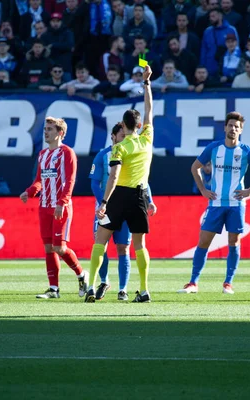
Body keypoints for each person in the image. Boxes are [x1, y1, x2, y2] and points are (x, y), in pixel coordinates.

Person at [178, 112, 250, 295]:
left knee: (234, 241)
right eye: (230, 125)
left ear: (241, 130)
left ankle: (228, 283)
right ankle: (193, 283)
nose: (233, 129)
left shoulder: (245, 151)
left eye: (237, 126)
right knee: (204, 241)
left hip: (236, 205)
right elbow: (194, 167)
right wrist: (203, 190)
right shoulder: (214, 148)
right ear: (225, 127)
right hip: (215, 204)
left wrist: (249, 191)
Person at [85, 65, 155, 304]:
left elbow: (113, 176)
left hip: (118, 197)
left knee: (100, 241)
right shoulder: (147, 139)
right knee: (139, 245)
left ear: (123, 127)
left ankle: (92, 287)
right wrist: (147, 83)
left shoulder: (119, 147)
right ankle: (144, 290)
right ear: (139, 125)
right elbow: (149, 109)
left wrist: (104, 202)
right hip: (138, 197)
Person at [20, 117, 88, 299]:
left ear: (60, 133)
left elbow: (71, 180)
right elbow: (39, 181)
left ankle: (82, 275)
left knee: (60, 248)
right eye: (45, 129)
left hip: (60, 207)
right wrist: (29, 192)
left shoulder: (67, 152)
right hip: (44, 206)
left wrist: (62, 202)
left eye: (50, 129)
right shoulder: (42, 154)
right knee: (49, 248)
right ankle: (53, 289)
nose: (46, 132)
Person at [89, 122, 157, 301]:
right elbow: (95, 182)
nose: (125, 139)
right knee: (100, 244)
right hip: (107, 207)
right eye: (121, 136)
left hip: (125, 203)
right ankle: (103, 281)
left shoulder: (130, 151)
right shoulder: (103, 156)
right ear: (113, 136)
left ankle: (123, 289)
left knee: (123, 247)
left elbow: (142, 179)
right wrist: (102, 202)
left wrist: (150, 200)